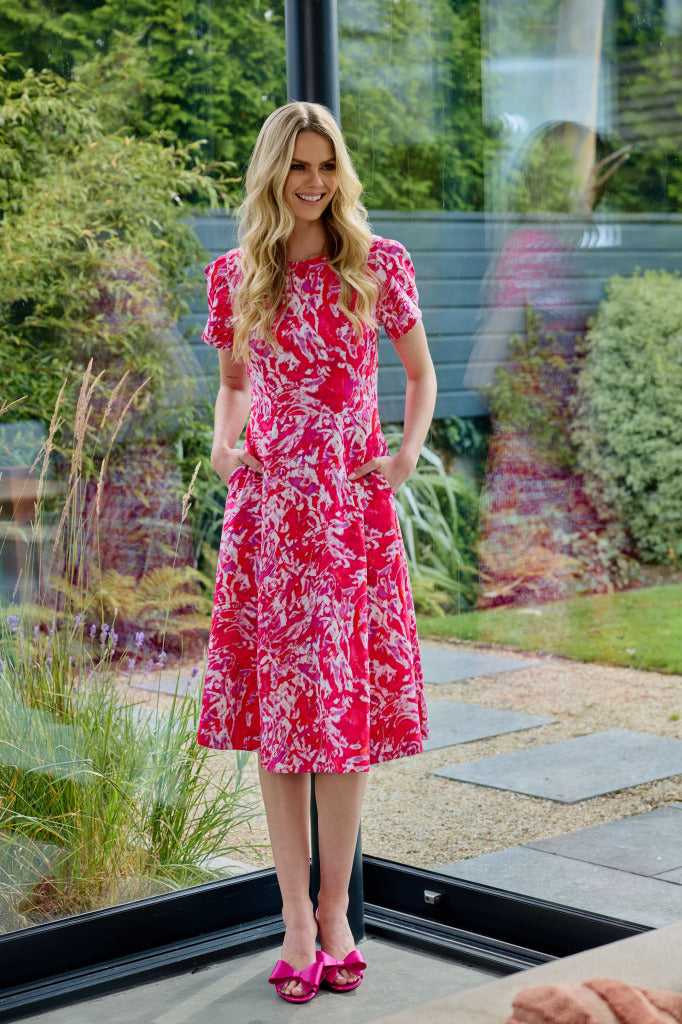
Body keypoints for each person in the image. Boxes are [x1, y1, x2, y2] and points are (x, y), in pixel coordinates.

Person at [197, 101, 437, 1004]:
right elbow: (232, 385)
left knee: (341, 722)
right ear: (272, 172)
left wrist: (403, 456)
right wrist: (225, 446)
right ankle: (294, 920)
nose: (313, 182)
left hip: (346, 520)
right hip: (267, 521)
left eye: (326, 165)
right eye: (298, 166)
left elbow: (419, 374)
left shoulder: (377, 264)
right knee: (282, 726)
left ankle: (336, 913)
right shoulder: (235, 276)